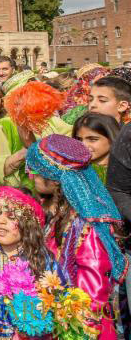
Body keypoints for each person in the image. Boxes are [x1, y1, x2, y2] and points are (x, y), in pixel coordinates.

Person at [26, 135, 127, 339]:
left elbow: (93, 293)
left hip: (81, 328)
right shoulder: (60, 215)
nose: (29, 175)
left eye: (34, 170)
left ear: (54, 179)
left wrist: (73, 327)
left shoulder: (86, 227)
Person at [0, 186, 61, 339]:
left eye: (11, 216)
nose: (1, 221)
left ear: (28, 224)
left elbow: (57, 304)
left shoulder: (41, 258)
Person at [0, 73, 71, 188]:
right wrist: (26, 151)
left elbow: (73, 140)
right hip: (23, 194)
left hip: (55, 189)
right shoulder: (4, 125)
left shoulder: (50, 120)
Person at [72, 112, 120, 183]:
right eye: (79, 139)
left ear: (111, 138)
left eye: (92, 139)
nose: (83, 145)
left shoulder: (124, 172)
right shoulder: (72, 172)